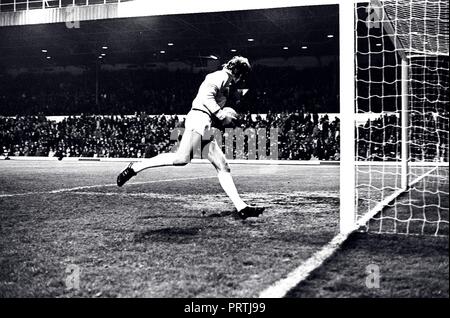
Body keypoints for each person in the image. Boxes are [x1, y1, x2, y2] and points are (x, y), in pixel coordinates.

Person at [116, 56, 264, 219]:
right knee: (182, 159)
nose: (242, 79)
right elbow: (205, 98)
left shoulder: (225, 82)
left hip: (205, 122)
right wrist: (222, 115)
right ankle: (136, 166)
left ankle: (241, 207)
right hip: (199, 118)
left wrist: (219, 118)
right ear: (237, 71)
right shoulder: (219, 77)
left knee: (223, 166)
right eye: (242, 75)